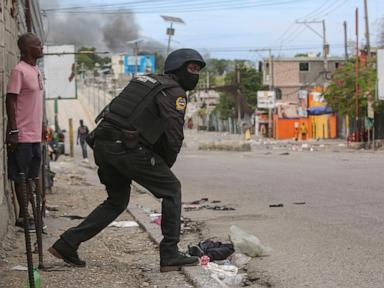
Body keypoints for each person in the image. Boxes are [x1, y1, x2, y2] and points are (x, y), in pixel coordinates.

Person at [49, 49, 206, 272]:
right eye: (192, 68)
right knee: (172, 189)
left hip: (104, 144)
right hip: (126, 147)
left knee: (117, 201)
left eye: (198, 69)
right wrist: (164, 167)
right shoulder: (175, 92)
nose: (196, 74)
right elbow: (174, 135)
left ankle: (67, 243)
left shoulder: (146, 81)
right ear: (177, 68)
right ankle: (170, 253)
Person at [6, 33, 45, 231]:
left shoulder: (35, 70)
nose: (41, 46)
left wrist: (42, 126)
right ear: (27, 49)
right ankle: (24, 216)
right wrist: (13, 130)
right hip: (21, 135)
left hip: (35, 135)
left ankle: (30, 215)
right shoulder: (19, 70)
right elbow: (10, 100)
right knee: (20, 176)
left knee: (30, 176)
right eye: (38, 44)